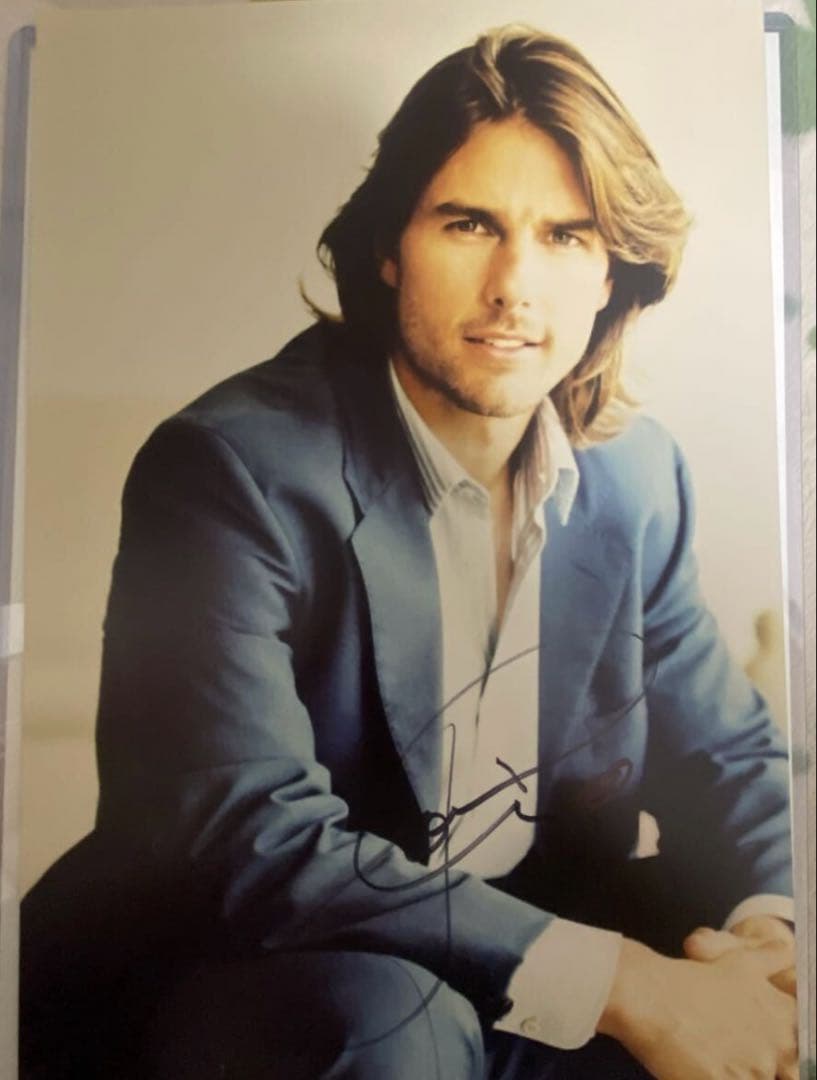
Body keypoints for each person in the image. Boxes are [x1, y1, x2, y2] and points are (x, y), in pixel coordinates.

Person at [20, 24, 798, 1080]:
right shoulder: (229, 470)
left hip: (523, 944)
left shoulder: (635, 475)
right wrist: (619, 982)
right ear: (388, 246)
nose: (514, 285)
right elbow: (249, 839)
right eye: (470, 224)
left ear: (613, 272)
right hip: (266, 973)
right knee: (393, 1018)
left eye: (566, 236)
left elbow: (728, 757)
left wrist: (770, 938)